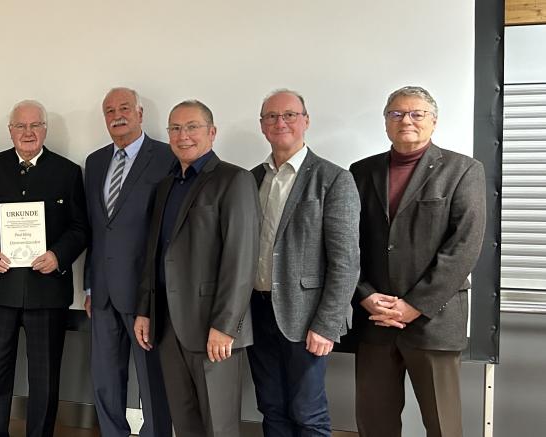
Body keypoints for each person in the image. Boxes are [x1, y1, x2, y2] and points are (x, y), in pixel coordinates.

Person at [350, 86, 486, 437]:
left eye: (416, 113)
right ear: (385, 123)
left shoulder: (463, 170)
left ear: (434, 121)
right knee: (374, 423)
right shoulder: (360, 172)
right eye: (395, 114)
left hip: (434, 321)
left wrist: (414, 305)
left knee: (443, 425)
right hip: (375, 319)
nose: (405, 120)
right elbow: (346, 244)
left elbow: (464, 246)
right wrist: (365, 295)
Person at [133, 100, 260, 437]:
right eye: (175, 128)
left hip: (211, 328)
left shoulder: (234, 180)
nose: (182, 135)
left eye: (192, 127)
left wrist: (225, 325)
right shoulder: (165, 185)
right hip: (167, 325)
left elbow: (241, 258)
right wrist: (145, 310)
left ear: (212, 132)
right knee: (185, 422)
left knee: (217, 426)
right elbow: (154, 253)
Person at [247, 90, 361, 437]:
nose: (280, 122)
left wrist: (327, 324)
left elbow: (346, 261)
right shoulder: (251, 178)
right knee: (270, 406)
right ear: (262, 126)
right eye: (271, 116)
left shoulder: (333, 179)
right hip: (258, 310)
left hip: (306, 315)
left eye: (290, 115)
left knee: (307, 411)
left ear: (305, 121)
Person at [0, 100, 89, 437]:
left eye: (35, 125)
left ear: (45, 129)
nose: (28, 133)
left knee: (45, 380)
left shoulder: (67, 172)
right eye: (20, 126)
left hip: (47, 291)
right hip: (1, 290)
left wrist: (58, 255)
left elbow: (80, 227)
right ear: (10, 130)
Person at [82, 87, 173, 437]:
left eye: (124, 108)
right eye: (109, 110)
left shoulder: (166, 157)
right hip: (102, 292)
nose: (117, 115)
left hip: (145, 292)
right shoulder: (95, 162)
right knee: (105, 379)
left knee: (152, 381)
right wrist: (90, 283)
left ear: (139, 113)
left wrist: (157, 292)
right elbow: (96, 229)